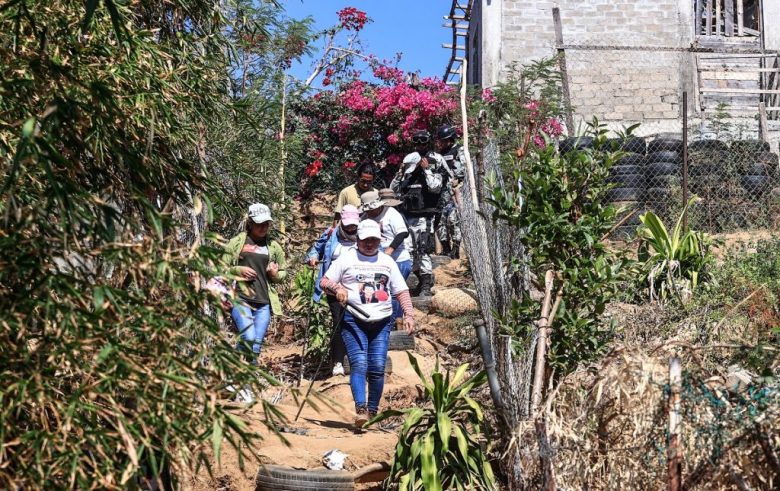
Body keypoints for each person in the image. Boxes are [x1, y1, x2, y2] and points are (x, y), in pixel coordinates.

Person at [319, 220, 415, 427]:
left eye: (374, 240)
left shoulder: (387, 262)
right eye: (365, 240)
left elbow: (401, 290)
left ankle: (373, 410)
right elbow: (325, 281)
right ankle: (360, 409)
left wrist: (408, 314)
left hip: (381, 321)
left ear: (379, 240)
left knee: (378, 366)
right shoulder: (346, 259)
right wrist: (338, 289)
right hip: (354, 318)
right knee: (359, 363)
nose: (369, 244)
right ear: (358, 239)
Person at [222, 203, 287, 401]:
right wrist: (237, 271)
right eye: (259, 223)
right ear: (249, 223)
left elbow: (283, 272)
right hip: (240, 298)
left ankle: (244, 383)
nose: (263, 227)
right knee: (248, 337)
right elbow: (221, 268)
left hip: (263, 301)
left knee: (256, 345)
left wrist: (275, 274)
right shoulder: (237, 242)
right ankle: (234, 375)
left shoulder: (273, 245)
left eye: (267, 223)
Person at [390, 129, 450, 296]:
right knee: (408, 250)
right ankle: (419, 280)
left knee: (423, 249)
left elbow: (435, 186)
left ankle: (425, 286)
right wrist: (401, 172)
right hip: (407, 213)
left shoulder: (436, 159)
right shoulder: (409, 159)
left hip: (426, 214)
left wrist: (425, 170)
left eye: (423, 142)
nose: (420, 145)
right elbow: (393, 189)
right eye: (417, 142)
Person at [305, 204, 360, 376]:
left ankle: (358, 359)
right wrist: (313, 257)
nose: (351, 228)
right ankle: (337, 361)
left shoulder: (365, 234)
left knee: (358, 322)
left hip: (358, 287)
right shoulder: (331, 234)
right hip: (333, 287)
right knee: (339, 321)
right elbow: (316, 248)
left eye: (354, 224)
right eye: (348, 224)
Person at [360, 189, 413, 325]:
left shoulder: (391, 214)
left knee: (396, 293)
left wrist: (390, 249)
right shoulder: (365, 217)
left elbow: (402, 233)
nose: (370, 212)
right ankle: (388, 321)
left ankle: (396, 322)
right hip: (378, 260)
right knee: (382, 291)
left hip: (398, 257)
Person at [435, 124, 466, 258]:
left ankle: (456, 249)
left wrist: (458, 179)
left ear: (450, 139)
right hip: (441, 193)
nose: (440, 143)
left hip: (455, 192)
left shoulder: (459, 151)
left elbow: (465, 169)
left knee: (453, 219)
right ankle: (446, 248)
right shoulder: (439, 154)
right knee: (440, 220)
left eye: (443, 140)